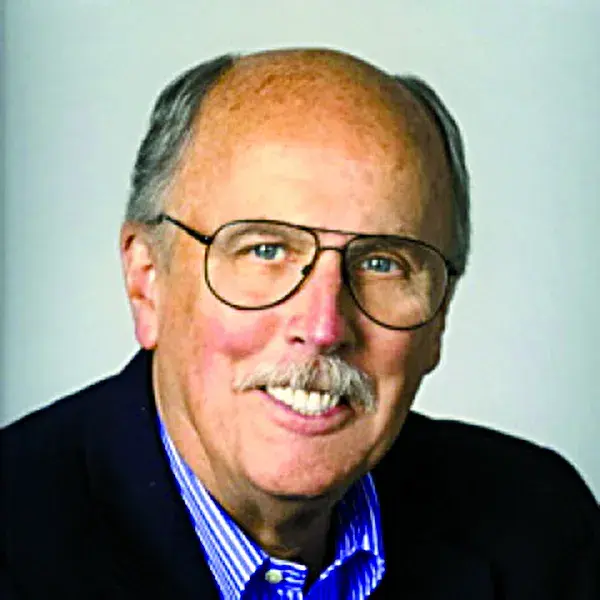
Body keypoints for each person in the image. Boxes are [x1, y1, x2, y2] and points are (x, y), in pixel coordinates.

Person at [1, 47, 598, 600]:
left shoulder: (539, 526)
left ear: (439, 317)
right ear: (147, 279)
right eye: (265, 250)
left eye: (383, 263)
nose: (323, 327)